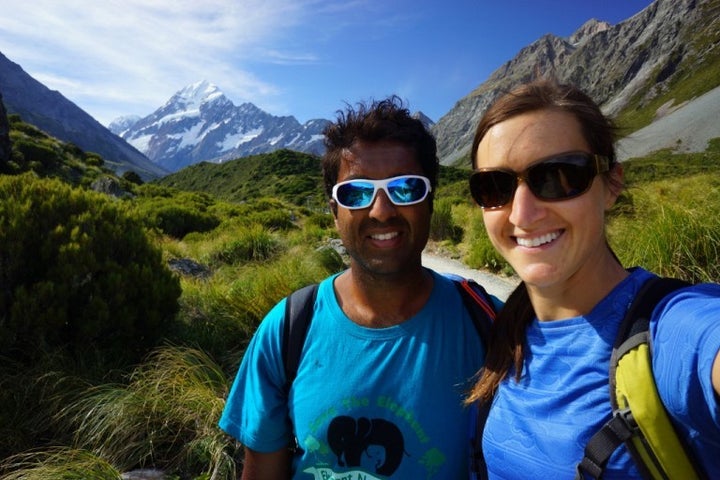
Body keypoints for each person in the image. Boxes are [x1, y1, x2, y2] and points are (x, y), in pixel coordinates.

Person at [219, 96, 496, 479]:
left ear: (430, 200)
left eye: (405, 188)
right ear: (334, 212)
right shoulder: (286, 331)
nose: (381, 210)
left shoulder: (489, 323)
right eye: (356, 193)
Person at [465, 78, 720, 478]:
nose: (522, 214)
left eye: (559, 176)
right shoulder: (505, 331)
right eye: (494, 187)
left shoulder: (670, 329)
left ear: (611, 183)